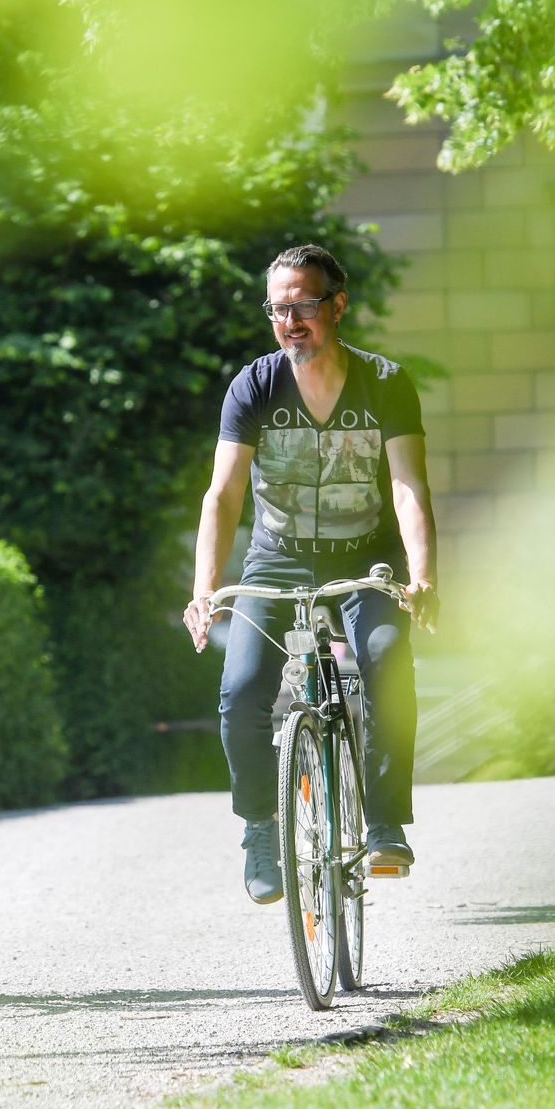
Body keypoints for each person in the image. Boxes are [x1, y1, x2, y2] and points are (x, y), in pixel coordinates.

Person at [183, 245, 440, 904]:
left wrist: (422, 577)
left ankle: (384, 823)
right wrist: (204, 588)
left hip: (366, 554)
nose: (289, 320)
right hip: (277, 554)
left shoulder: (384, 383)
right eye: (278, 308)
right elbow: (223, 495)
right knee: (241, 690)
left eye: (302, 305)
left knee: (385, 658)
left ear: (337, 305)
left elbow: (410, 486)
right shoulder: (256, 386)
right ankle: (260, 829)